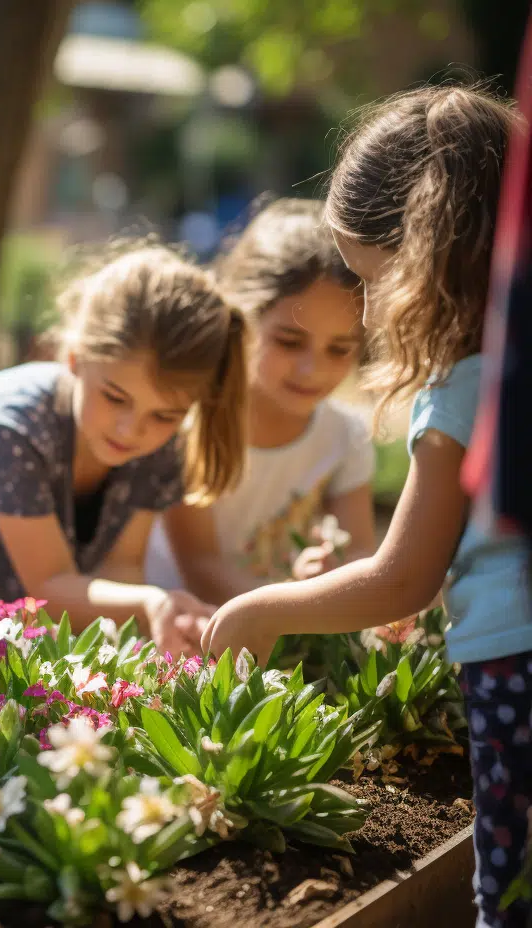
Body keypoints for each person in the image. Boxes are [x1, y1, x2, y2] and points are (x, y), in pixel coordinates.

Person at [199, 86, 525, 928]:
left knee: (512, 893)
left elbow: (402, 576)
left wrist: (262, 609)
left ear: (429, 258)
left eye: (375, 278)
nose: (371, 307)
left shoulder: (460, 388)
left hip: (513, 671)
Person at [0, 244, 248, 652]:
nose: (133, 429)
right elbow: (49, 584)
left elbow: (120, 568)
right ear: (74, 358)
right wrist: (152, 603)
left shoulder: (161, 445)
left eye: (164, 415)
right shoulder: (11, 428)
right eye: (115, 397)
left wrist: (144, 628)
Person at [145, 199, 375, 602]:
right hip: (178, 639)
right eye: (289, 341)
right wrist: (287, 612)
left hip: (278, 640)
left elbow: (358, 555)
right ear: (241, 318)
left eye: (339, 349)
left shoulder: (346, 438)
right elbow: (200, 565)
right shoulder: (191, 424)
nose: (312, 371)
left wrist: (330, 572)